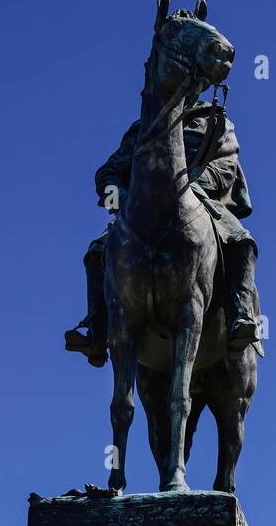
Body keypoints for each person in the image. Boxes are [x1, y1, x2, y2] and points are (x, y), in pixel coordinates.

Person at [64, 97, 263, 367]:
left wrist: (182, 184)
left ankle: (240, 315)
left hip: (200, 200)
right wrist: (123, 197)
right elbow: (108, 173)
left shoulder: (215, 120)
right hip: (143, 207)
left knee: (242, 240)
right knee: (97, 249)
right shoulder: (145, 127)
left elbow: (226, 167)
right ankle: (96, 331)